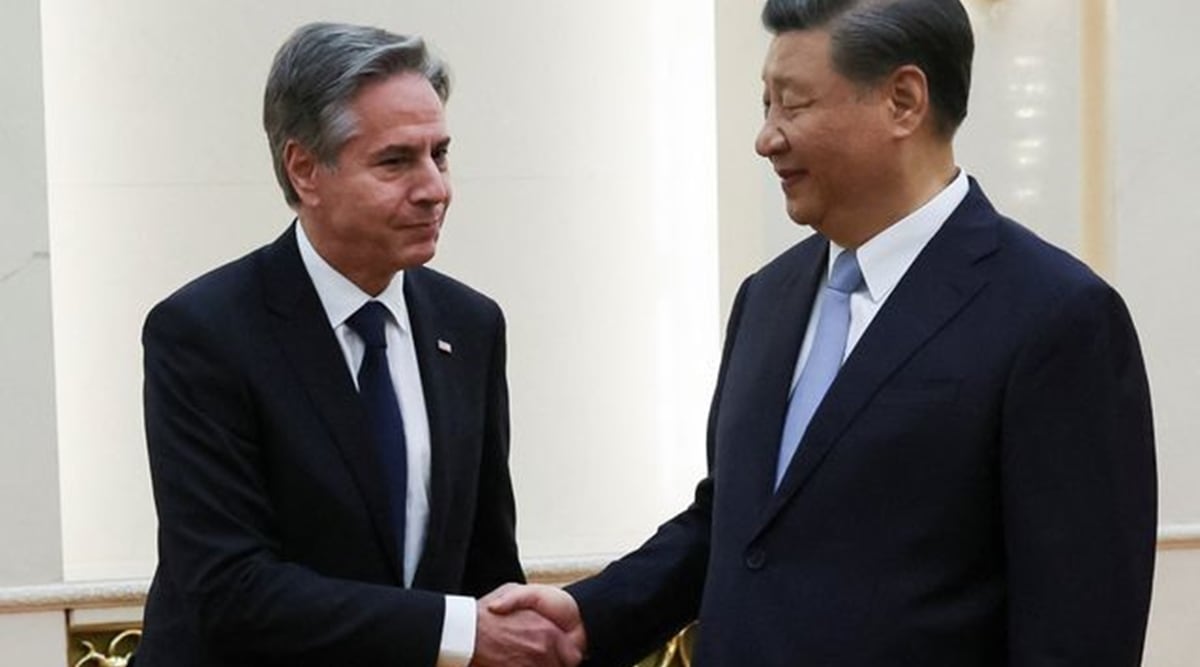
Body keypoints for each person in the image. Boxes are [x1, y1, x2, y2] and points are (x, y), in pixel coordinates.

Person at [490, 1, 1157, 665]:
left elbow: (1080, 629)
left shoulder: (1056, 318)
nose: (766, 138)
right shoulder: (767, 296)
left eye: (793, 104)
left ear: (903, 101)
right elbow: (736, 524)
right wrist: (591, 615)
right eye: (765, 105)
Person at [135, 22, 579, 667]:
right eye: (395, 162)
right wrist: (459, 631)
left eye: (440, 154)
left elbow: (485, 564)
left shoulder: (470, 326)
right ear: (305, 170)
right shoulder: (204, 333)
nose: (434, 188)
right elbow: (230, 587)